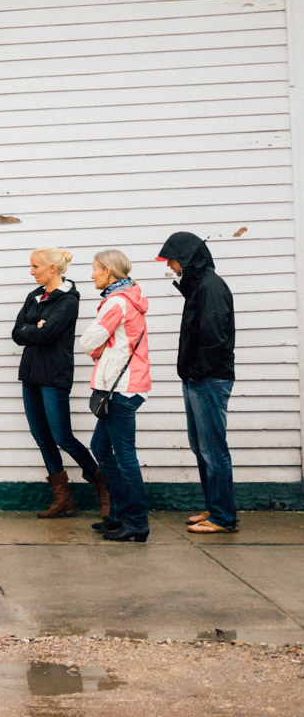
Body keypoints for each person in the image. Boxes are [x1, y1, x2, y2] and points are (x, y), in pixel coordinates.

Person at [12, 248, 108, 520]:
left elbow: (49, 333)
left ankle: (102, 485)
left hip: (54, 376)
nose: (32, 272)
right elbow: (17, 333)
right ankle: (63, 499)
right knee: (42, 438)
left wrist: (37, 329)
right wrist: (36, 328)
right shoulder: (33, 296)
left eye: (35, 267)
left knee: (62, 436)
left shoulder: (69, 299)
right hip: (30, 375)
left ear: (52, 268)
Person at [157, 232, 238, 535]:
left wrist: (198, 373)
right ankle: (214, 507)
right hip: (197, 378)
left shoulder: (211, 288)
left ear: (188, 257)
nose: (172, 267)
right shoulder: (199, 286)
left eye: (174, 260)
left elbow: (214, 338)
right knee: (201, 447)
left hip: (208, 380)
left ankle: (223, 518)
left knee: (213, 450)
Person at [78, 249, 152, 543]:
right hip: (122, 388)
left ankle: (136, 522)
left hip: (122, 389)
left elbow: (88, 342)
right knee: (101, 447)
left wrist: (99, 347)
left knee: (124, 458)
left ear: (108, 272)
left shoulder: (117, 303)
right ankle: (120, 514)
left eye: (95, 269)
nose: (92, 274)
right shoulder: (127, 298)